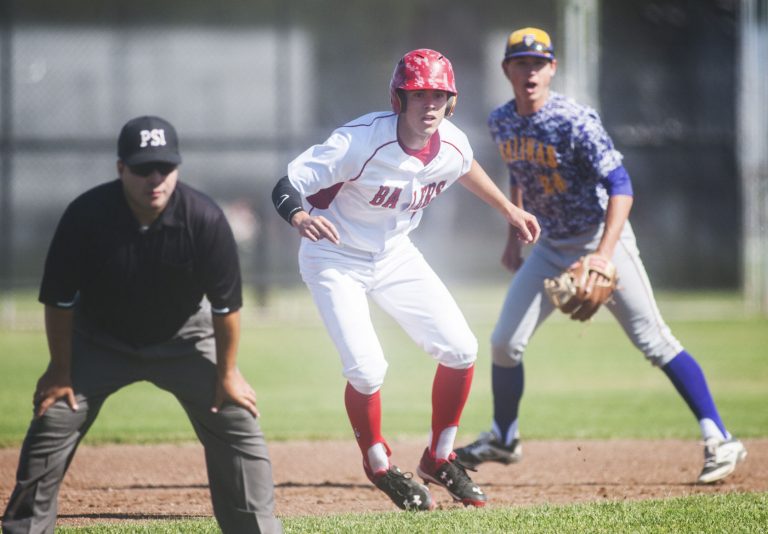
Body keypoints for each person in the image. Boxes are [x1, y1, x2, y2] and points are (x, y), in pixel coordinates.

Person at [454, 27, 747, 485]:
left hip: (599, 238)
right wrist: (515, 235)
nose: (530, 71)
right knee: (504, 343)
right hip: (550, 245)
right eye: (521, 62)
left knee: (655, 341)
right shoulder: (502, 120)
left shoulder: (575, 120)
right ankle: (504, 437)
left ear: (552, 68)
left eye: (538, 62)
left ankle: (720, 437)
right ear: (506, 69)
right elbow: (521, 172)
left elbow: (621, 186)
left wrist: (604, 256)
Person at [271, 49, 540, 510]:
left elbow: (463, 167)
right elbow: (286, 183)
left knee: (461, 349)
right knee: (368, 368)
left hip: (395, 256)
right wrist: (298, 216)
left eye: (439, 95)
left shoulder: (451, 143)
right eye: (419, 95)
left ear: (450, 101)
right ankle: (378, 464)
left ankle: (439, 458)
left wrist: (510, 210)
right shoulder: (359, 141)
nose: (430, 104)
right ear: (399, 98)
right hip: (334, 256)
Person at [1, 116, 282, 533]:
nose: (155, 179)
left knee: (237, 417)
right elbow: (58, 301)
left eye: (165, 168)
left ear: (177, 170)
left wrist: (228, 374)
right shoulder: (86, 216)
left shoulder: (203, 219)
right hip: (99, 339)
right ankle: (24, 529)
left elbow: (226, 308)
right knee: (54, 417)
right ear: (120, 169)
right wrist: (59, 370)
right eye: (143, 168)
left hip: (183, 338)